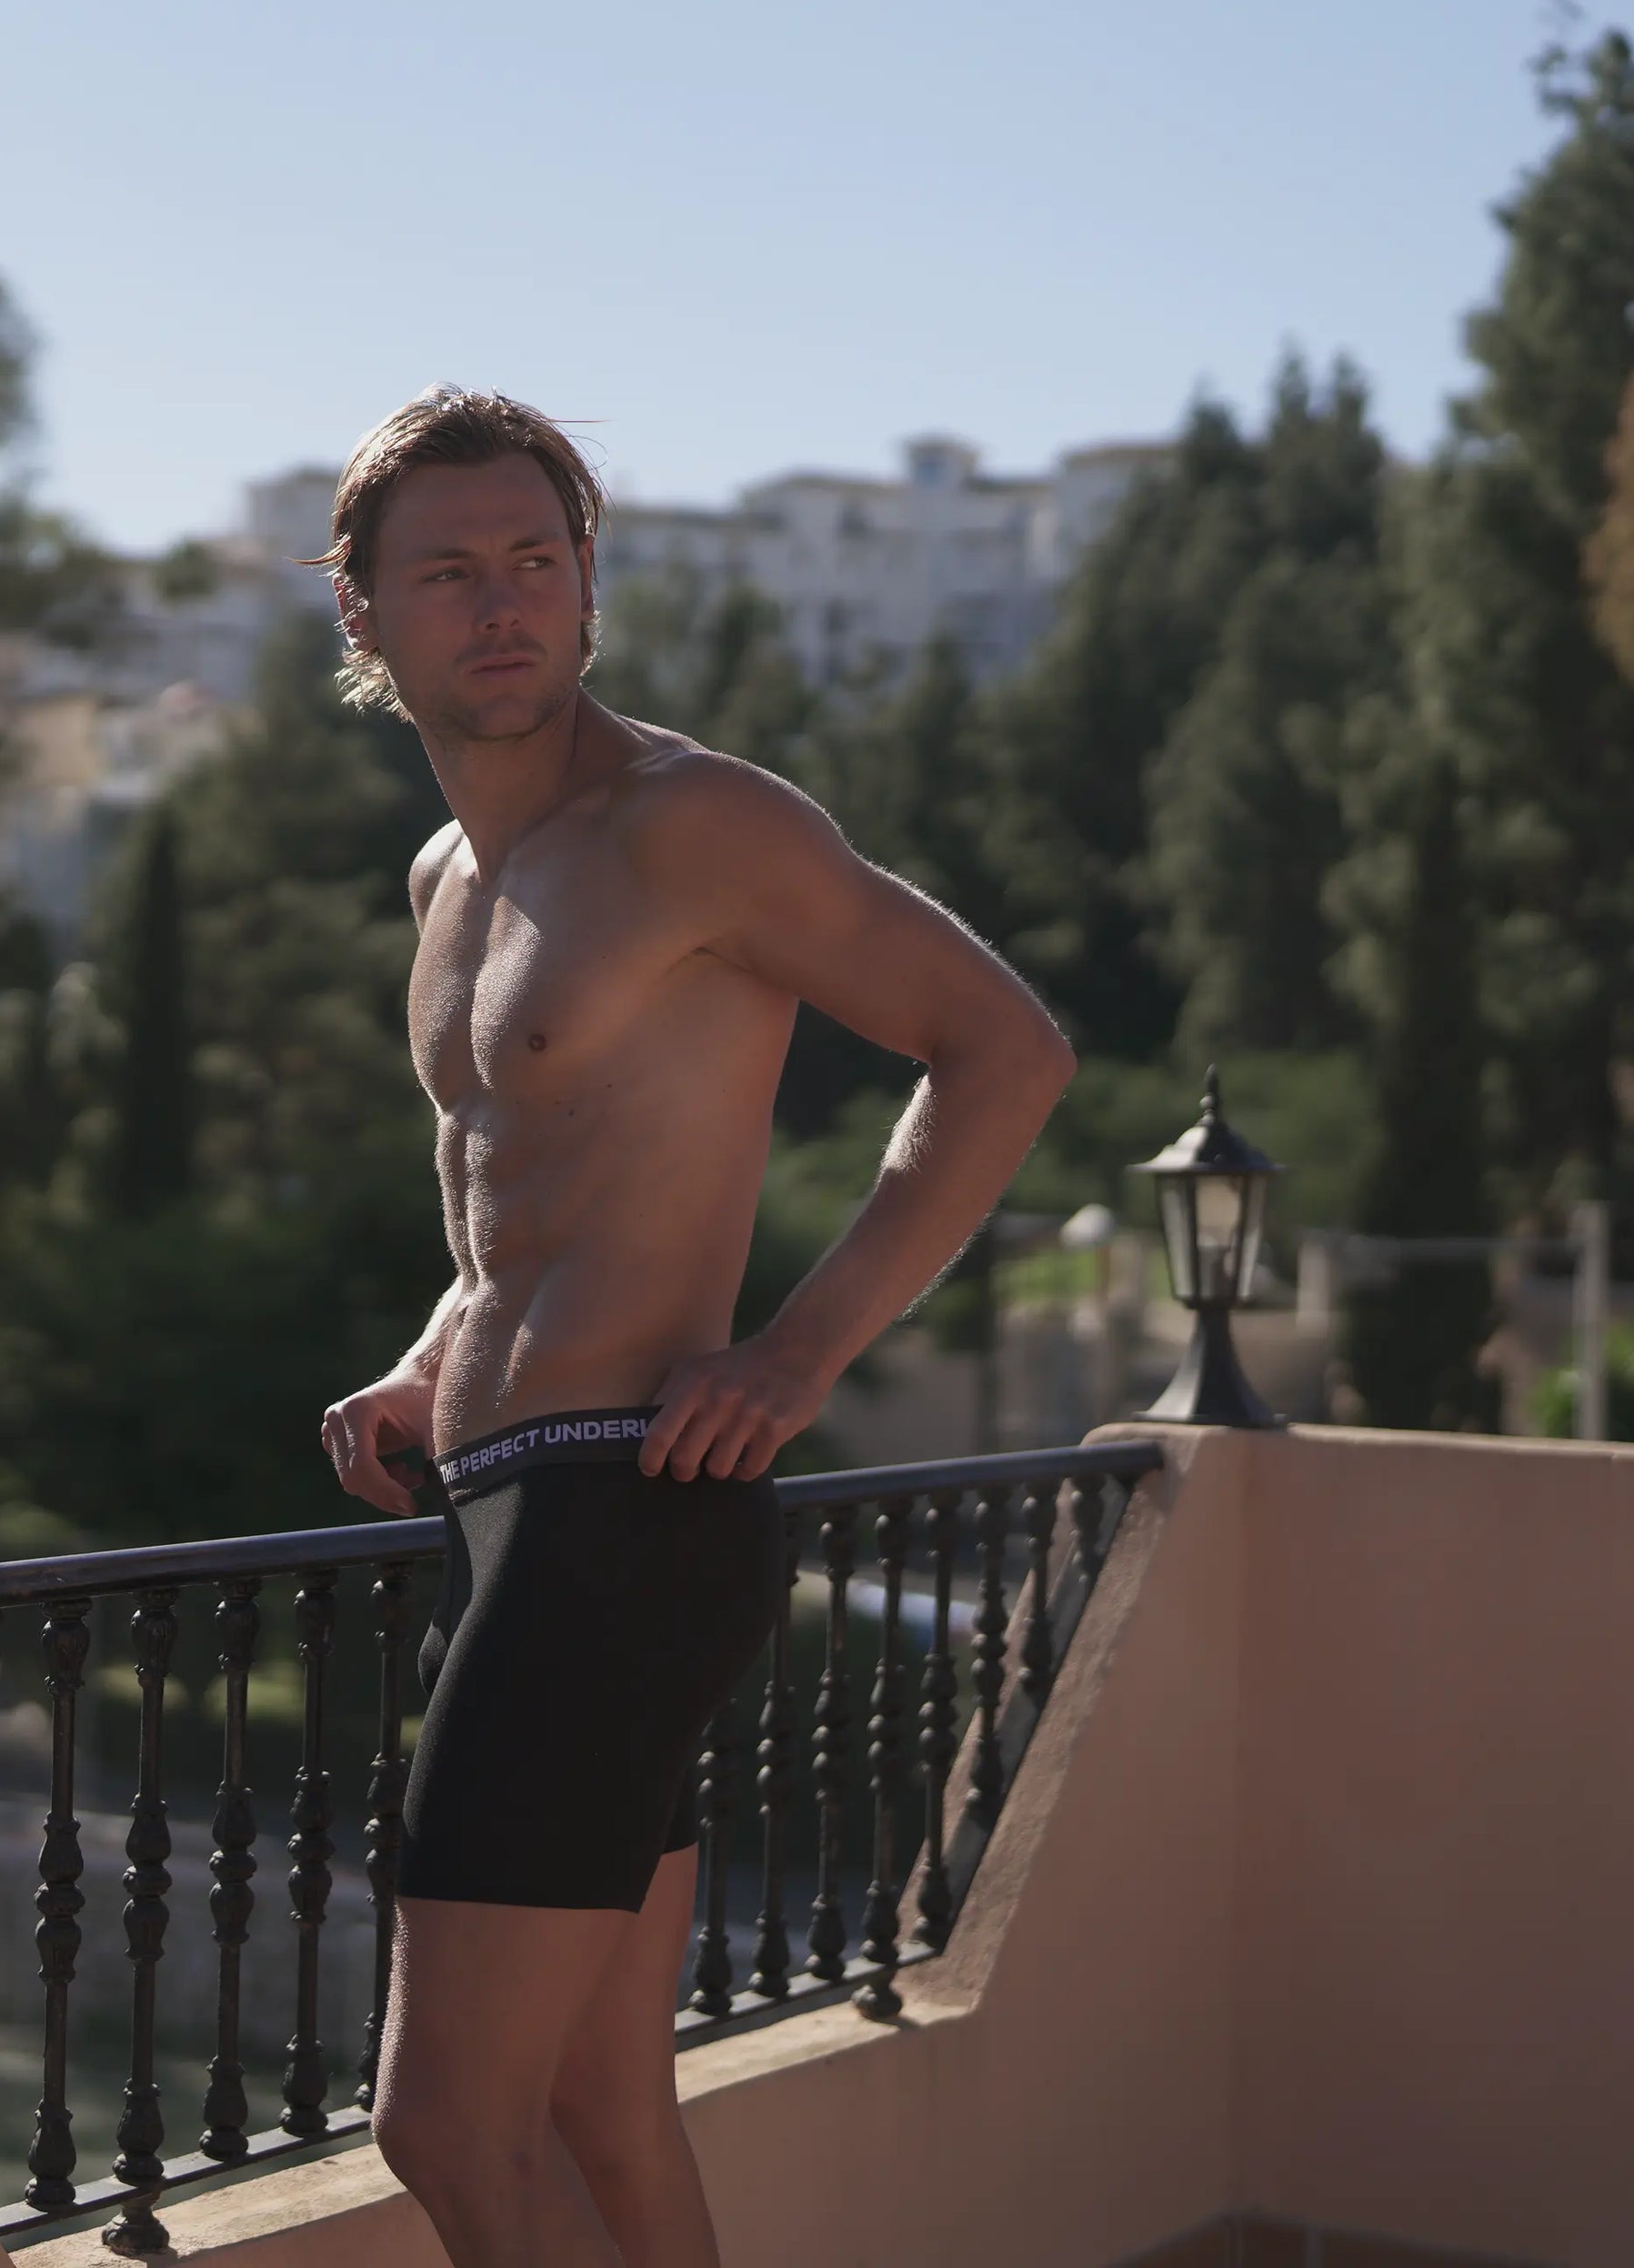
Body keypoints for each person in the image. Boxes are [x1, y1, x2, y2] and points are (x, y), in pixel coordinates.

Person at [313, 386, 1075, 2268]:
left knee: (441, 2117)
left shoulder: (694, 822)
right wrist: (436, 1350)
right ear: (366, 618)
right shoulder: (447, 882)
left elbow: (1006, 1049)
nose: (501, 603)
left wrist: (797, 1354)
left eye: (537, 560)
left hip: (625, 1508)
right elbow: (521, 1186)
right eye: (449, 572)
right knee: (595, 2104)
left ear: (588, 588)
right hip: (511, 1505)